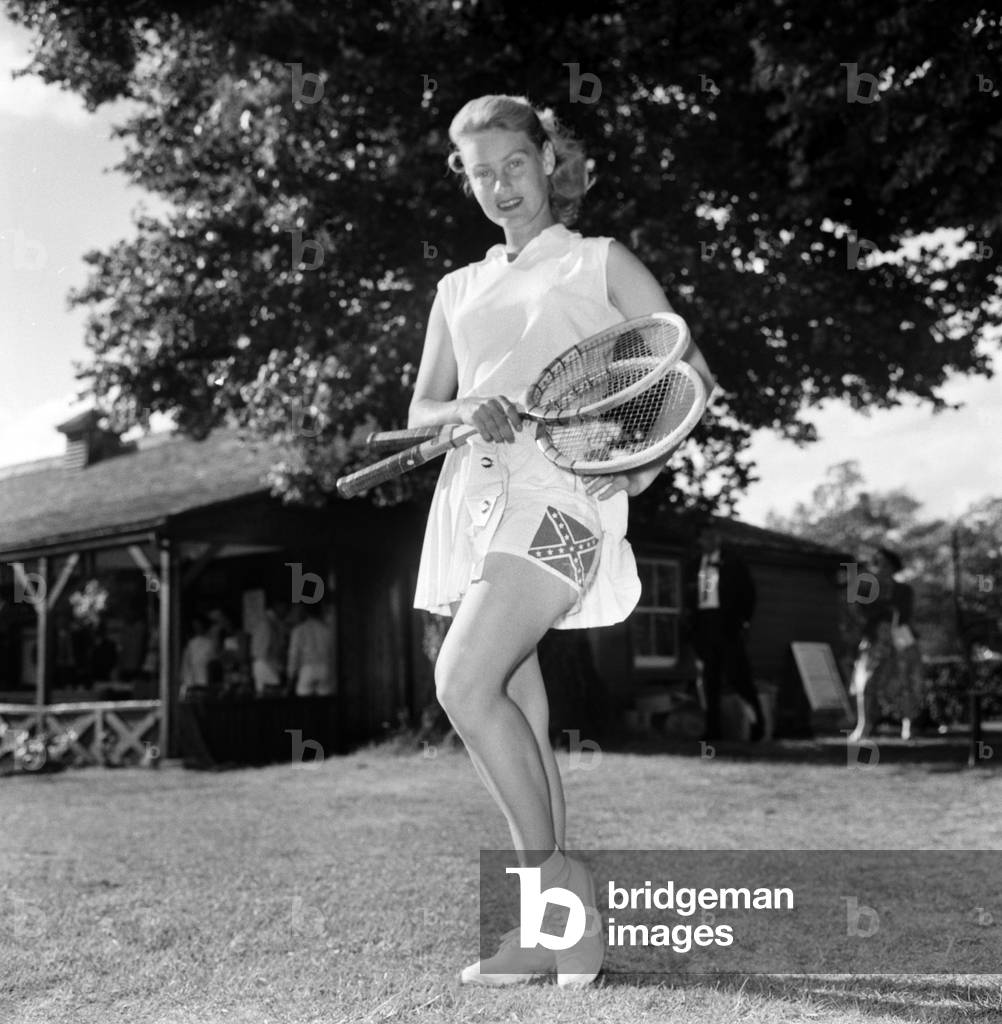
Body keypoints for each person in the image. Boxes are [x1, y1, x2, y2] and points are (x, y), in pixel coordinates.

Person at [407, 94, 715, 988]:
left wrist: (639, 469)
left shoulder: (598, 260)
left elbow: (687, 372)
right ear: (463, 181)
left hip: (566, 505)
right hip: (473, 506)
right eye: (479, 173)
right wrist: (464, 408)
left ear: (547, 158)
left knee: (461, 683)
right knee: (520, 714)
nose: (500, 185)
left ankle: (563, 897)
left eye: (513, 162)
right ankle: (552, 931)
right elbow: (423, 410)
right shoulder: (454, 290)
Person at [690, 525, 765, 742]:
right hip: (705, 626)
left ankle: (757, 726)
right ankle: (713, 731)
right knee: (709, 682)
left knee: (740, 678)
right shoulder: (695, 564)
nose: (706, 542)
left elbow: (748, 593)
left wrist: (742, 623)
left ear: (718, 539)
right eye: (703, 538)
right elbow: (690, 597)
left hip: (728, 626)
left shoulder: (733, 562)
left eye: (711, 537)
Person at [848, 546, 922, 741]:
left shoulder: (904, 590)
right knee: (866, 683)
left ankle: (908, 723)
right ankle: (864, 724)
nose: (881, 567)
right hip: (875, 643)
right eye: (877, 563)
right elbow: (858, 613)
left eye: (885, 564)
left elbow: (906, 615)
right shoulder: (865, 587)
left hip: (900, 642)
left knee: (906, 681)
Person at [287, 604, 335, 697]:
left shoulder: (299, 630)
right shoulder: (326, 629)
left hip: (307, 668)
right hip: (324, 667)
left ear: (304, 612)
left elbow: (294, 654)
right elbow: (332, 652)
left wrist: (291, 674)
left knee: (305, 705)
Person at [250, 599, 289, 696]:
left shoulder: (270, 622)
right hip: (266, 664)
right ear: (277, 607)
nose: (286, 612)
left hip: (265, 663)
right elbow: (263, 650)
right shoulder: (267, 623)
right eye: (285, 608)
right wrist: (279, 666)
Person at [179, 614, 217, 699]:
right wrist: (187, 681)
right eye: (195, 625)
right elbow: (186, 663)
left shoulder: (210, 643)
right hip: (192, 683)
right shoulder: (190, 644)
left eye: (199, 625)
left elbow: (212, 662)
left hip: (205, 683)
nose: (197, 627)